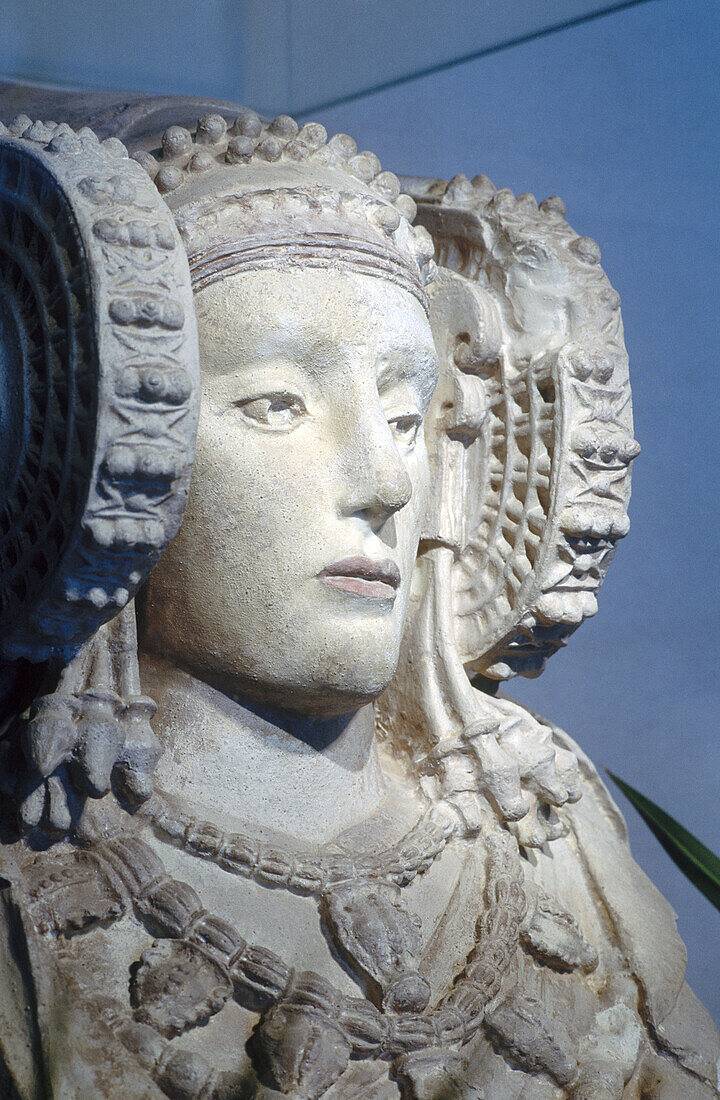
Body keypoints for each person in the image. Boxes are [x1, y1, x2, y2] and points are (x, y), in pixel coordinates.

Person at [0, 92, 716, 1100]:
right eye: (278, 405)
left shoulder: (547, 820)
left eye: (405, 414)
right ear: (115, 444)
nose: (384, 481)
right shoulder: (27, 859)